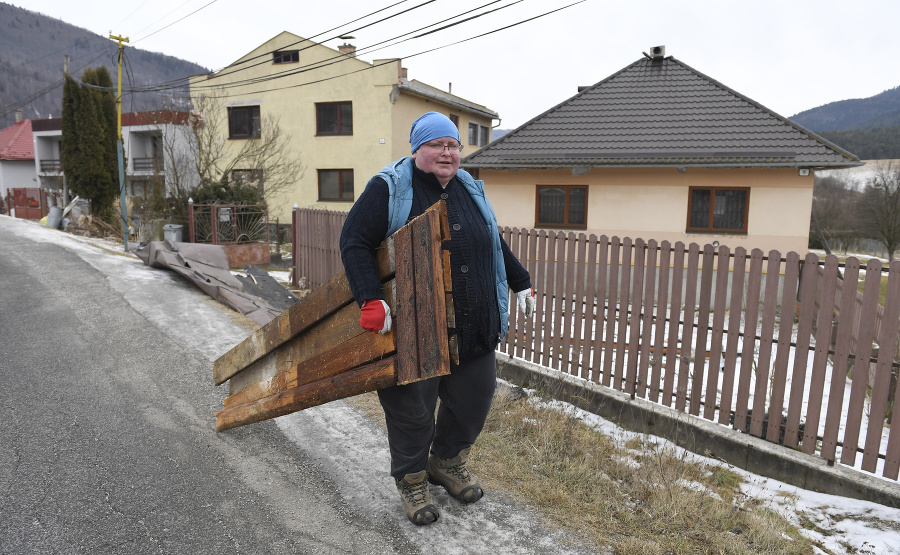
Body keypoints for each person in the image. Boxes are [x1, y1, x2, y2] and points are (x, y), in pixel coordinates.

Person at [340, 111, 536, 526]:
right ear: (417, 150)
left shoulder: (467, 187)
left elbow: (491, 238)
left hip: (473, 324)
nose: (447, 152)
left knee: (474, 401)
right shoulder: (390, 189)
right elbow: (354, 241)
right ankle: (412, 479)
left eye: (453, 145)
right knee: (412, 408)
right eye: (436, 145)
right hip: (415, 326)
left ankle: (445, 461)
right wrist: (369, 299)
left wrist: (521, 282)